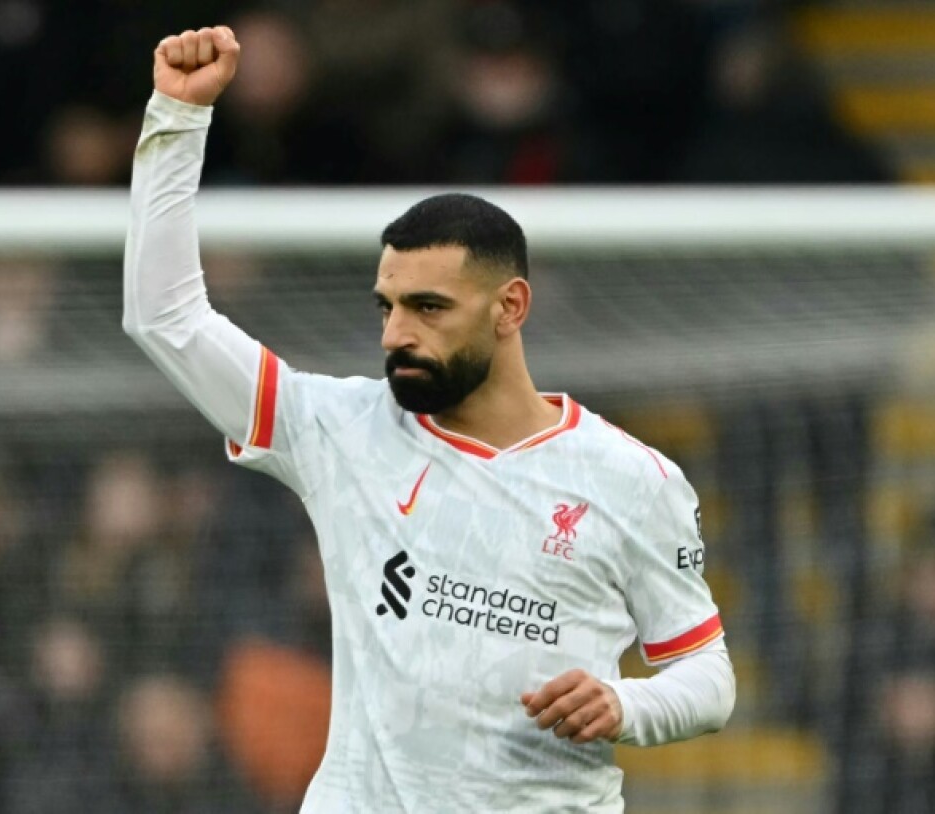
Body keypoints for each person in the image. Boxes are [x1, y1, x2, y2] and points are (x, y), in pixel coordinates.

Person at [124, 26, 735, 812]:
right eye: (387, 307)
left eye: (428, 308)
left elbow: (708, 676)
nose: (395, 334)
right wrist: (175, 121)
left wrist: (628, 705)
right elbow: (164, 318)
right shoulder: (338, 430)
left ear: (510, 307)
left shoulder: (631, 479)